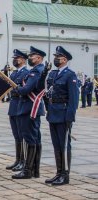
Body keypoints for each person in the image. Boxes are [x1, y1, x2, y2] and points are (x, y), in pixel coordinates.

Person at [37, 46, 79, 185]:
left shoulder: (70, 75)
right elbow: (46, 92)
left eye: (58, 57)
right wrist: (44, 73)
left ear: (65, 59)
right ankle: (58, 172)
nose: (55, 59)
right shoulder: (53, 74)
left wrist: (70, 117)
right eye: (55, 56)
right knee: (56, 145)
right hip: (53, 113)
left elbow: (73, 98)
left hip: (63, 114)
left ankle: (65, 175)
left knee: (64, 145)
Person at [12, 46, 45, 179]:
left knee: (30, 138)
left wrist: (17, 89)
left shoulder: (37, 71)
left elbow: (26, 89)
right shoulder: (35, 70)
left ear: (39, 58)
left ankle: (28, 170)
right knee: (34, 138)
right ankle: (34, 170)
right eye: (30, 55)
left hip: (29, 108)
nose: (29, 57)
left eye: (32, 56)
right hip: (28, 107)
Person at [6, 49, 29, 172]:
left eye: (17, 58)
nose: (15, 60)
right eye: (14, 58)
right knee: (16, 135)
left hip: (21, 103)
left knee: (22, 134)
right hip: (13, 105)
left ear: (23, 60)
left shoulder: (27, 73)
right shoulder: (14, 74)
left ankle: (24, 161)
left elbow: (22, 89)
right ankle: (18, 159)